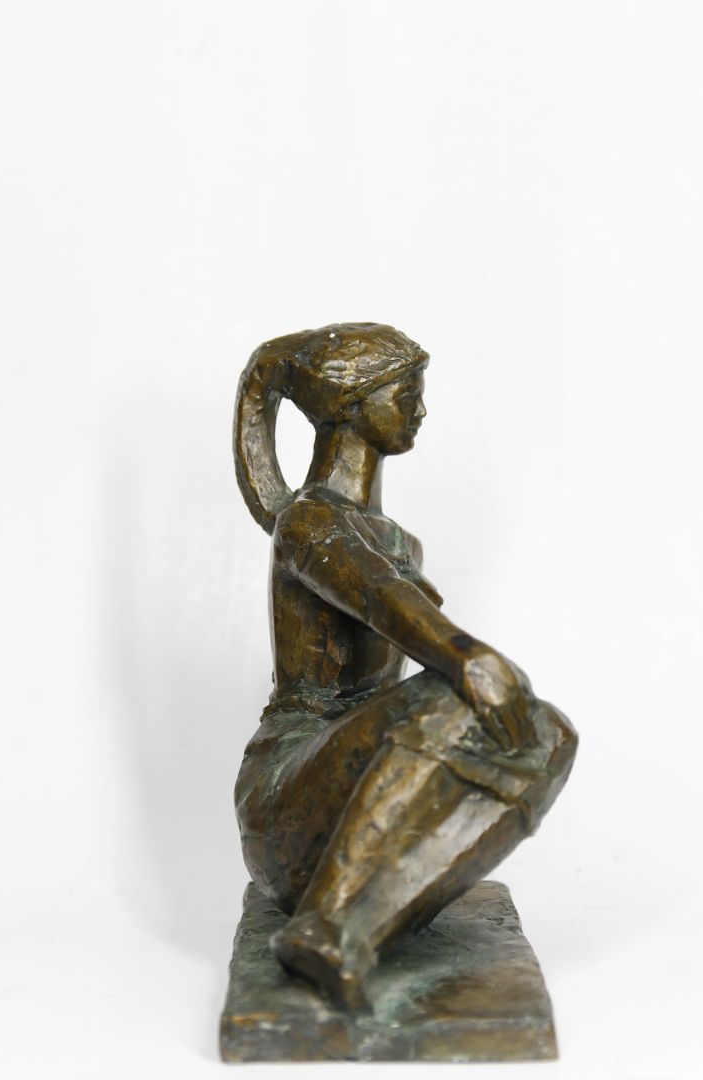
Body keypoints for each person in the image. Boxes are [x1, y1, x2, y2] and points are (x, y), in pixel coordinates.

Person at [232, 322, 577, 1010]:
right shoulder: (309, 523)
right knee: (450, 695)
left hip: (362, 788)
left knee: (548, 735)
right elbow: (380, 599)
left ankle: (361, 927)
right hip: (287, 800)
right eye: (406, 392)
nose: (420, 409)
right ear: (353, 405)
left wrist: (472, 671)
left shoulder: (398, 541)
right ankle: (329, 922)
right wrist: (470, 659)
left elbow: (391, 590)